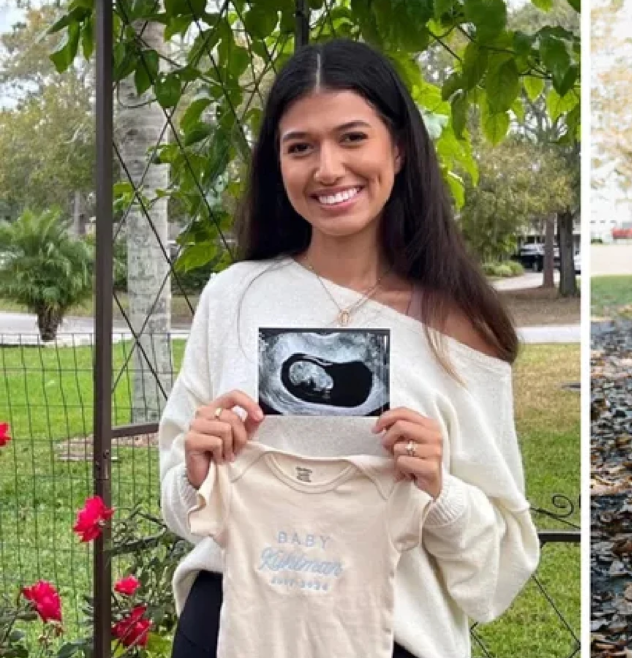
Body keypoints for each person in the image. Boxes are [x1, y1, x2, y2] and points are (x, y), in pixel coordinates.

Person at [157, 38, 541, 658]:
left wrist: (439, 490)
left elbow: (501, 567)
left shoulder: (461, 331)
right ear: (276, 165)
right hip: (229, 629)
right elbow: (180, 501)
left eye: (352, 137)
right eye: (300, 147)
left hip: (392, 637)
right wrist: (195, 471)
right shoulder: (233, 297)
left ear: (399, 146)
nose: (328, 168)